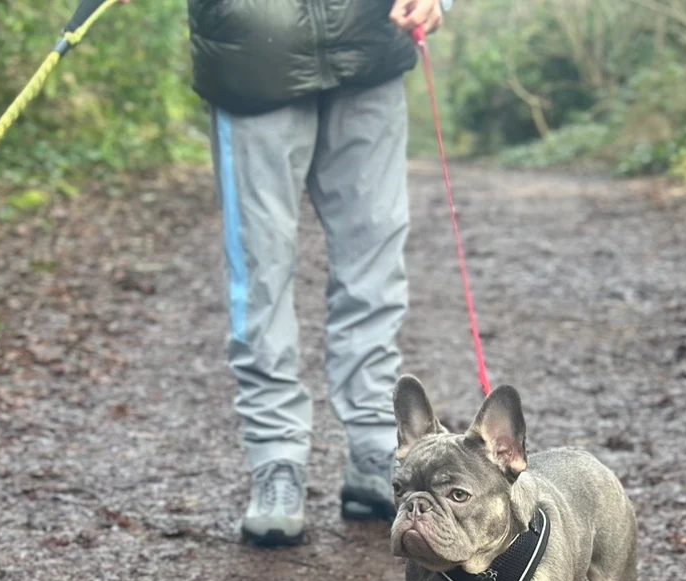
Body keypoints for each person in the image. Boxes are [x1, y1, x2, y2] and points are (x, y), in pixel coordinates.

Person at [120, 0, 444, 544]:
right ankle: (276, 464)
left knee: (375, 263)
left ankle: (374, 447)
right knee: (260, 274)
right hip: (250, 57)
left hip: (371, 47)